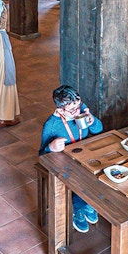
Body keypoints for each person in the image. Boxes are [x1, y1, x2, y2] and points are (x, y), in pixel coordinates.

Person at [40, 85, 103, 233]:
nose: (77, 111)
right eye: (72, 110)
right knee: (76, 176)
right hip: (64, 161)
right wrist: (51, 147)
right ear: (60, 110)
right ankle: (78, 207)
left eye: (78, 105)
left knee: (100, 169)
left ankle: (88, 201)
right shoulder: (51, 125)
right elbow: (42, 155)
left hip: (83, 155)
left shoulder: (81, 110)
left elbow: (98, 130)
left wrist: (92, 120)